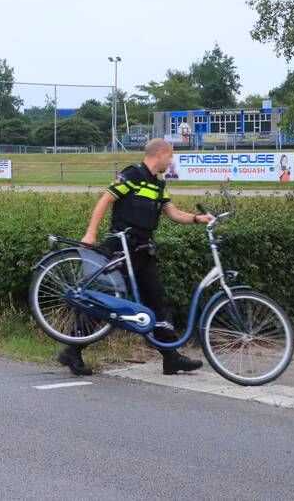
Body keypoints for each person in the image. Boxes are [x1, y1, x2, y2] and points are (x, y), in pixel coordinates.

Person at [58, 138, 208, 377]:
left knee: (159, 301)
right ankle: (72, 350)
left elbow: (173, 213)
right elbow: (106, 199)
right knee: (105, 301)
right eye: (170, 157)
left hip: (142, 251)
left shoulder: (157, 185)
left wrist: (198, 219)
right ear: (159, 154)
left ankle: (170, 358)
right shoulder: (133, 175)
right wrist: (91, 232)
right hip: (120, 247)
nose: (171, 162)